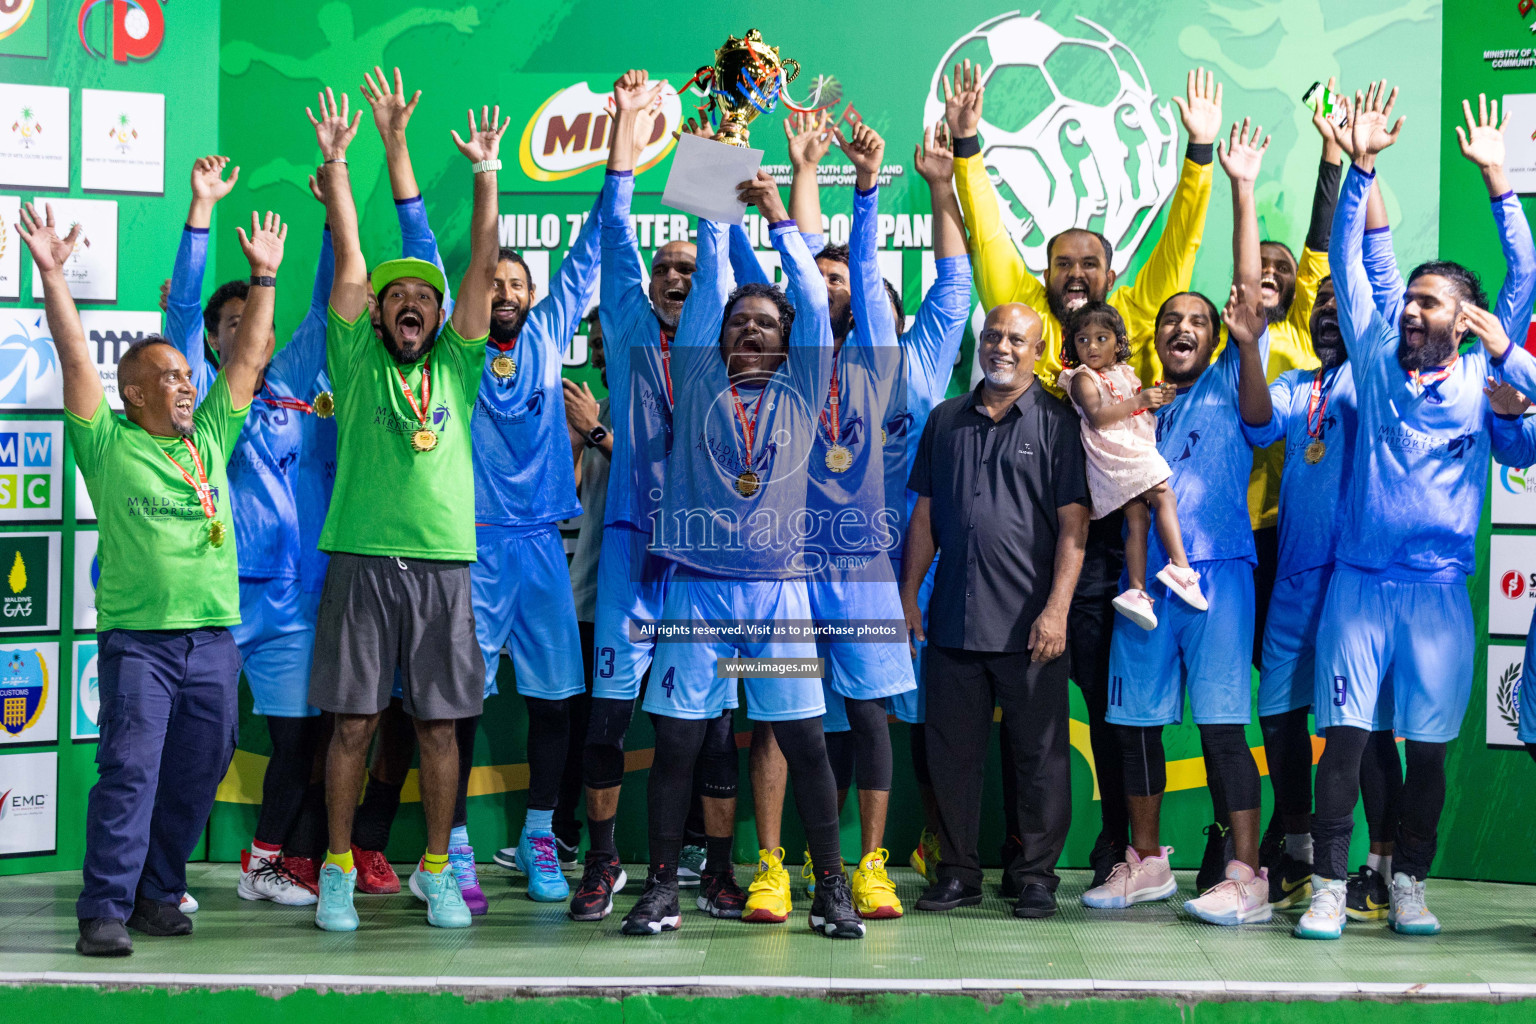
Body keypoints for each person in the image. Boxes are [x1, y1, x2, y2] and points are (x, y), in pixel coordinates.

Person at [945, 61, 1224, 886]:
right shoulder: (1024, 321)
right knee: (1017, 720)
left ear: (1110, 277)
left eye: (1088, 266)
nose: (1074, 277)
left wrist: (1200, 154)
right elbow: (989, 233)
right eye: (1061, 265)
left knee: (1114, 712)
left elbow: (1180, 239)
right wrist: (967, 146)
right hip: (1026, 556)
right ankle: (993, 857)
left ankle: (1119, 850)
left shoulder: (1132, 319)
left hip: (1113, 557)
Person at [1296, 85, 1536, 939]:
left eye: (1428, 302)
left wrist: (1502, 188)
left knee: (1426, 750)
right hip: (1359, 589)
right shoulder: (1372, 353)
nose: (1409, 309)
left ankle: (1410, 885)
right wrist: (1362, 168)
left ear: (1465, 322)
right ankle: (1329, 885)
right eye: (1409, 299)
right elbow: (1347, 263)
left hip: (1437, 596)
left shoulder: (1484, 378)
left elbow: (1527, 280)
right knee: (1348, 740)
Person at [33, 198, 283, 957]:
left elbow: (246, 358)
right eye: (168, 377)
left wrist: (265, 275)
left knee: (193, 778)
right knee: (130, 774)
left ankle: (154, 892)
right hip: (140, 644)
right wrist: (53, 274)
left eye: (185, 375)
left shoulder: (210, 432)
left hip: (214, 642)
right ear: (134, 392)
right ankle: (103, 906)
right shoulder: (106, 445)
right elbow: (76, 354)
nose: (184, 384)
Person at [622, 170, 862, 940]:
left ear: (789, 342)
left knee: (802, 742)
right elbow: (707, 298)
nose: (751, 330)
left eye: (766, 323)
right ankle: (660, 890)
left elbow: (809, 298)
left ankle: (830, 890)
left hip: (778, 601)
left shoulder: (802, 384)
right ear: (717, 338)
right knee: (679, 744)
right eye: (738, 323)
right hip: (697, 598)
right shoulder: (695, 382)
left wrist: (779, 218)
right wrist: (716, 183)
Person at [307, 88, 505, 932]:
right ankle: (340, 871)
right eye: (395, 298)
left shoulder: (457, 366)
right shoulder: (354, 365)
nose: (410, 302)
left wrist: (489, 176)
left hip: (441, 566)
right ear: (379, 316)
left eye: (422, 295)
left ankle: (433, 869)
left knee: (438, 727)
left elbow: (483, 270)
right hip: (359, 557)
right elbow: (351, 257)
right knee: (353, 725)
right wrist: (341, 161)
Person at [1085, 119, 1276, 926]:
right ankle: (1150, 861)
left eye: (1199, 319)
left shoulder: (1233, 376)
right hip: (1143, 589)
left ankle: (1245, 873)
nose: (1185, 328)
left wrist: (1238, 183)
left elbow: (1240, 286)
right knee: (1131, 726)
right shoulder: (1133, 400)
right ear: (1152, 338)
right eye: (1171, 321)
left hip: (1218, 576)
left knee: (1226, 727)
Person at [565, 72, 746, 923]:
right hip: (634, 562)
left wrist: (718, 134)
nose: (676, 277)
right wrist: (629, 128)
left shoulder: (717, 327)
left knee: (711, 732)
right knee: (609, 725)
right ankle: (603, 865)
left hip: (705, 564)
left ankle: (713, 871)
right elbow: (612, 230)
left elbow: (717, 235)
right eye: (663, 268)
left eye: (685, 269)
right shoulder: (631, 329)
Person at [162, 153, 330, 910]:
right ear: (212, 340)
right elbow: (180, 311)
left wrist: (333, 210)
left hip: (289, 605)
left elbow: (329, 305)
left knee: (299, 739)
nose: (244, 332)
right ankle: (159, 868)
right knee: (202, 742)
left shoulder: (293, 382)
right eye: (228, 326)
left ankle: (263, 863)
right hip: (215, 601)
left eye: (251, 321)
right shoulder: (197, 395)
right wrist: (201, 214)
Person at [900, 300, 1089, 920]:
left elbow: (1073, 526)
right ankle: (956, 872)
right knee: (950, 756)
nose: (1002, 346)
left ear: (1038, 352)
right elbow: (925, 515)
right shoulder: (944, 420)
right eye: (993, 335)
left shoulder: (1061, 424)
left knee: (1039, 758)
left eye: (1017, 339)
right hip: (953, 618)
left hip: (1032, 626)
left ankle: (1034, 876)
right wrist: (908, 595)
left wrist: (1057, 609)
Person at [1249, 81, 1345, 892]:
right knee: (1272, 694)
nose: (1276, 274)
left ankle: (1319, 840)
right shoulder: (1238, 341)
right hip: (1247, 543)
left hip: (1307, 538)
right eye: (1262, 267)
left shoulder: (1310, 340)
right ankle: (1289, 824)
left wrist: (1331, 154)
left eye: (1287, 270)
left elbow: (1319, 245)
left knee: (1332, 699)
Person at [1058, 303, 1205, 630]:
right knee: (1164, 495)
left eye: (1101, 338)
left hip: (1131, 446)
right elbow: (1097, 417)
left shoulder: (1123, 373)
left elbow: (1135, 410)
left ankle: (1136, 590)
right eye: (1082, 340)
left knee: (1138, 518)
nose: (1091, 347)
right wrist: (1139, 401)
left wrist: (1155, 399)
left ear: (1118, 342)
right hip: (1114, 453)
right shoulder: (1081, 379)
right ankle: (1180, 568)